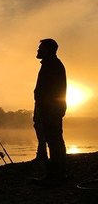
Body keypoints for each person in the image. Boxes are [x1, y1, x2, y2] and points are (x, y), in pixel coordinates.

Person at [33, 38, 67, 185]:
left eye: (41, 48)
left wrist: (47, 108)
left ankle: (54, 177)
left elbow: (53, 90)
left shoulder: (52, 65)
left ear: (48, 50)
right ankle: (58, 174)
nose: (38, 50)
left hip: (50, 109)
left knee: (54, 141)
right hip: (49, 109)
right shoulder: (51, 64)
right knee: (55, 140)